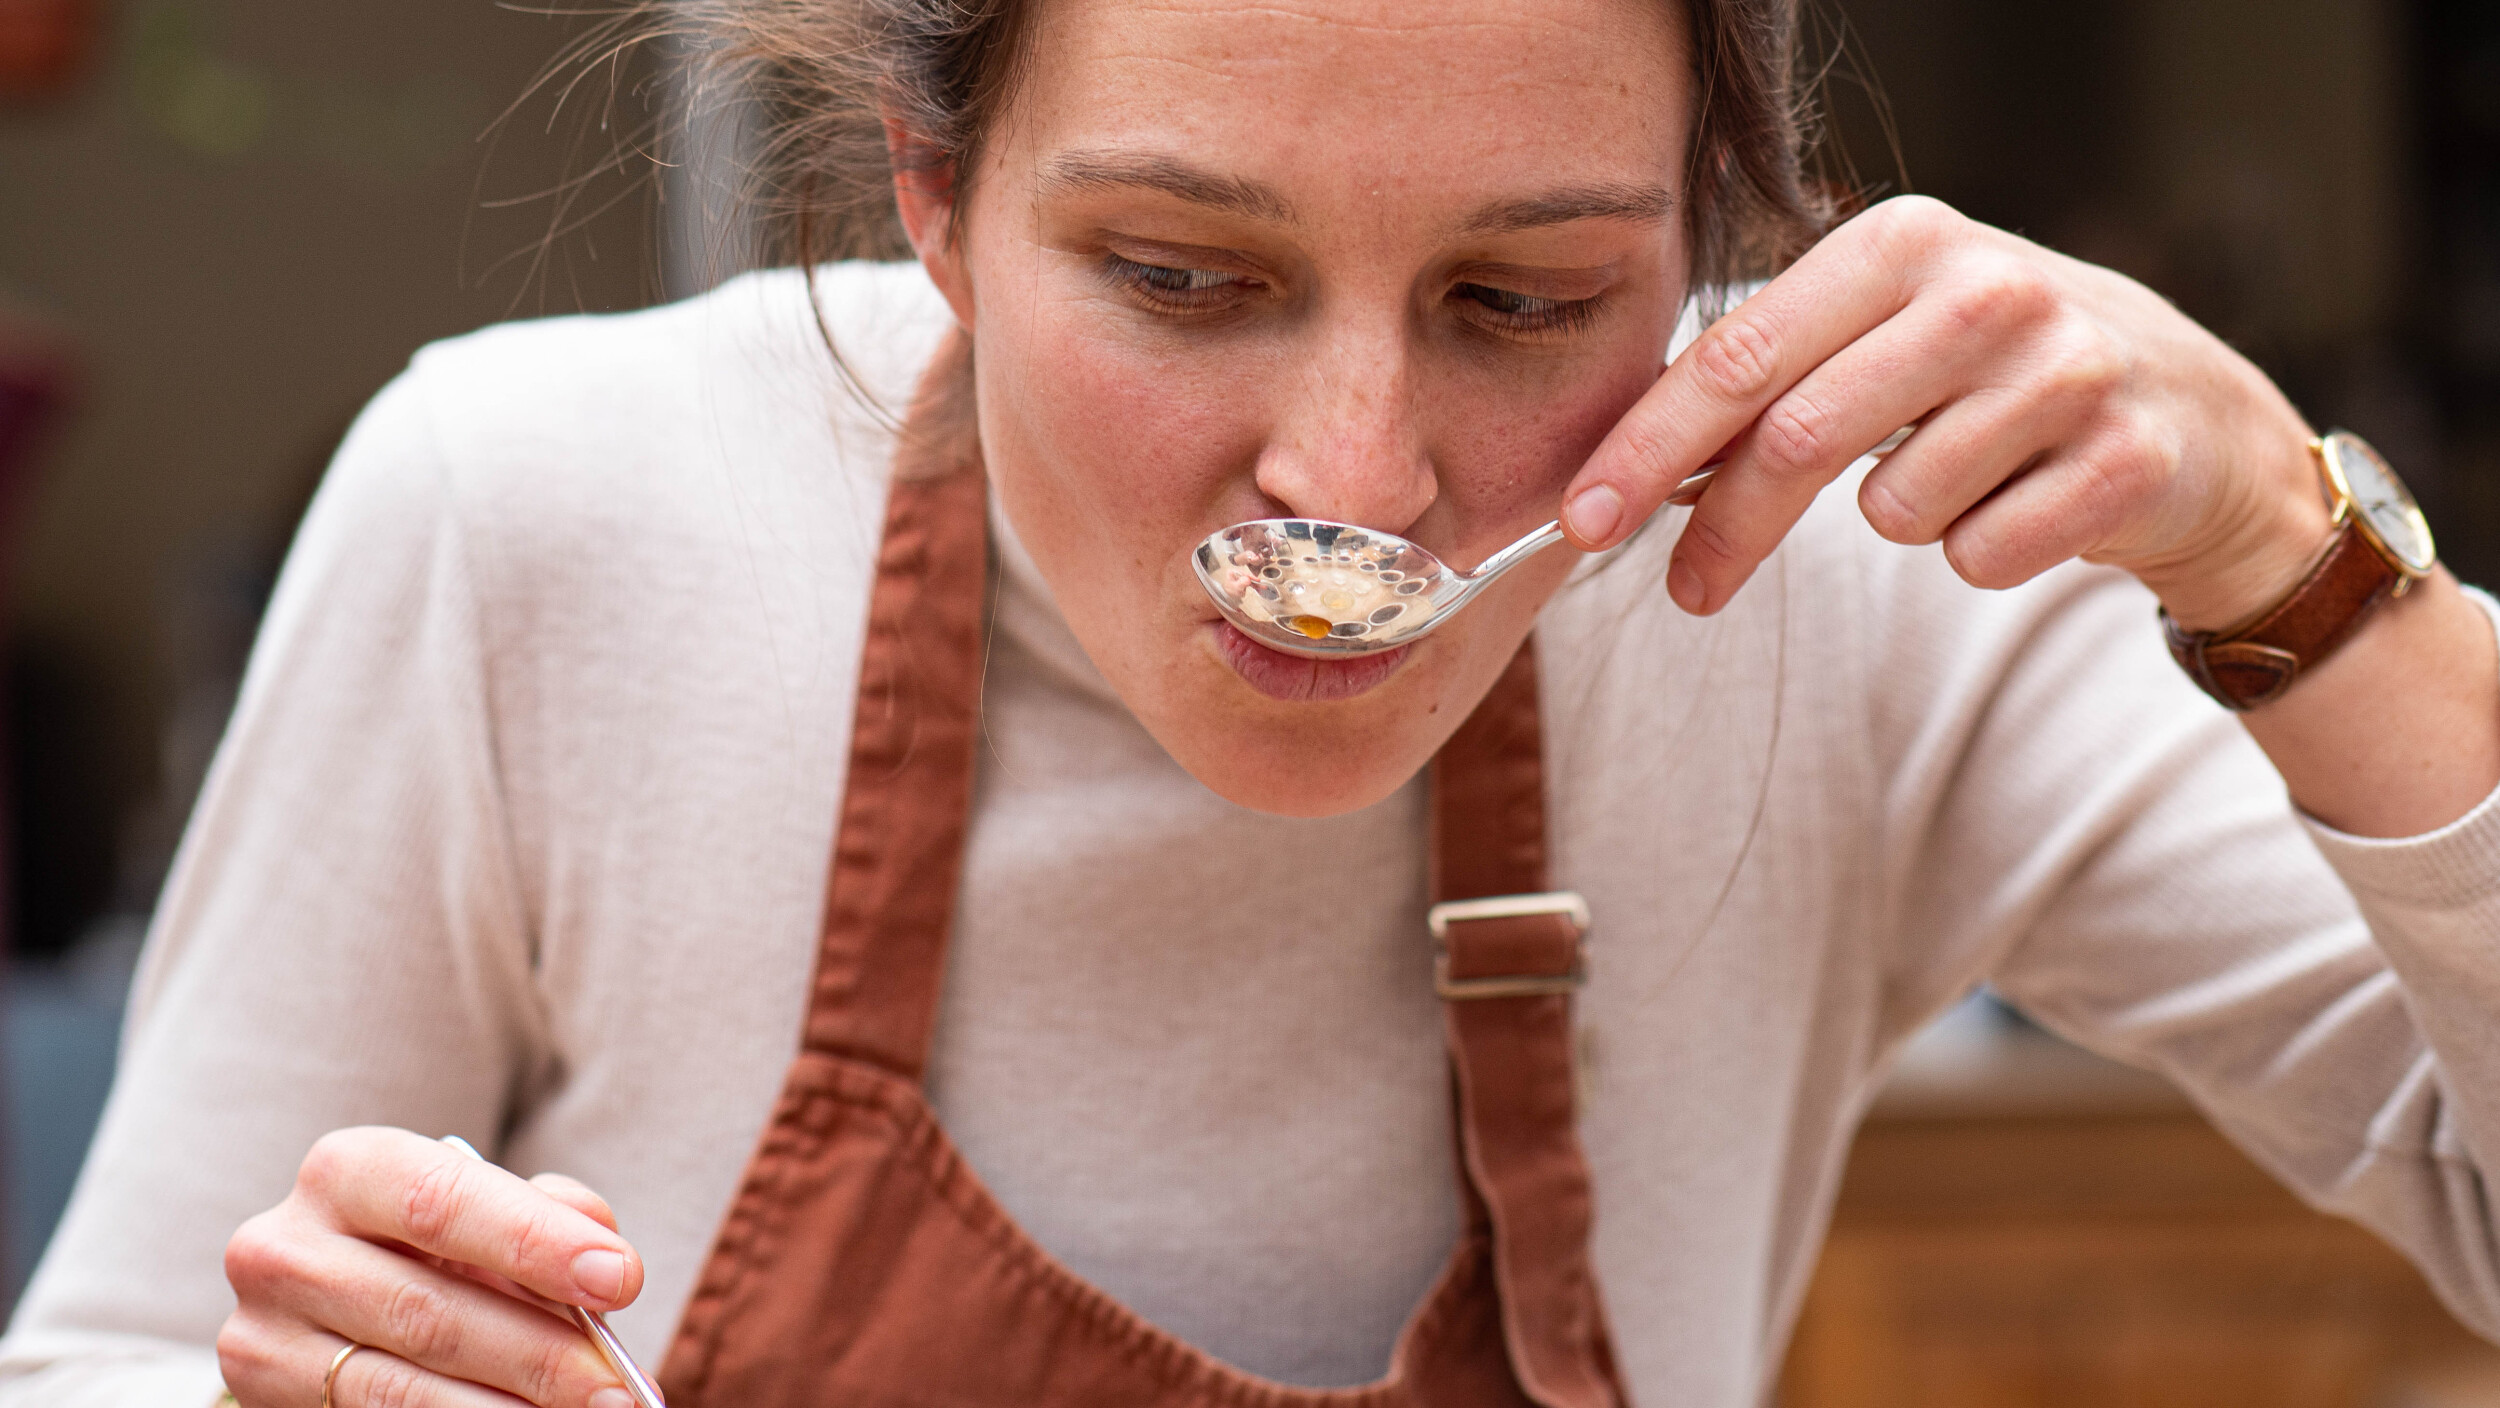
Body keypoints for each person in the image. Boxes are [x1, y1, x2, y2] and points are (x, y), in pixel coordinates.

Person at [7, 0, 2499, 1403]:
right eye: (1183, 276)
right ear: (925, 196)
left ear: (1705, 256)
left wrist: (2309, 571)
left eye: (1523, 302)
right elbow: (100, 1357)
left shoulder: (1849, 577)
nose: (1357, 479)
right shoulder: (535, 512)